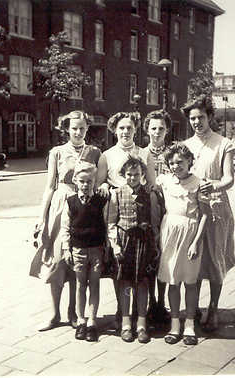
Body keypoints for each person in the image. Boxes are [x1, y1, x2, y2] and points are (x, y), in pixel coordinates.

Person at [29, 110, 102, 331]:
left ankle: (74, 312)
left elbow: (99, 183)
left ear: (87, 128)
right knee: (57, 260)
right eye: (74, 128)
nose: (78, 132)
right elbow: (50, 186)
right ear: (67, 130)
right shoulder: (57, 152)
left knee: (77, 260)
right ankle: (54, 314)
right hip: (61, 206)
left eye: (82, 128)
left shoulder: (96, 152)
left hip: (84, 208)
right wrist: (41, 217)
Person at [96, 112, 156, 330]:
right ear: (114, 130)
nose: (125, 132)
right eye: (121, 128)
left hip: (140, 212)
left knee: (142, 269)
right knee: (119, 266)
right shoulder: (107, 155)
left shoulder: (143, 153)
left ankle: (143, 314)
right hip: (117, 211)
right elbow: (100, 182)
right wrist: (103, 186)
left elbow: (151, 183)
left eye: (129, 128)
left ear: (136, 129)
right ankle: (123, 310)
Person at [181, 95, 235, 332]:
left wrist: (213, 185)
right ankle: (193, 309)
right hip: (192, 208)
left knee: (214, 258)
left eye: (201, 117)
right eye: (192, 118)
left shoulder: (223, 144)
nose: (196, 122)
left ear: (210, 116)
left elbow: (229, 179)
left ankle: (213, 309)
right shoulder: (185, 145)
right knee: (193, 259)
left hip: (215, 208)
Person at [157, 143, 208, 345]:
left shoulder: (198, 183)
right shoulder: (165, 181)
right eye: (172, 163)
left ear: (189, 161)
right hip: (169, 231)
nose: (176, 166)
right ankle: (175, 324)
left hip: (190, 233)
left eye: (180, 161)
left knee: (190, 281)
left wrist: (196, 242)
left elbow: (204, 215)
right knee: (172, 279)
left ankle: (189, 325)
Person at [107, 157, 158, 343]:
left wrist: (155, 245)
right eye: (129, 174)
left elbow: (154, 222)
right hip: (124, 242)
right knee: (125, 282)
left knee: (142, 282)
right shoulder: (117, 194)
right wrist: (115, 244)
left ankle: (142, 324)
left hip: (143, 242)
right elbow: (111, 222)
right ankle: (126, 323)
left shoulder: (149, 194)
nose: (133, 177)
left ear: (143, 174)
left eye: (137, 174)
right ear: (123, 175)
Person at [60, 162, 108, 342]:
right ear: (75, 181)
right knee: (80, 285)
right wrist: (67, 248)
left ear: (94, 181)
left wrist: (107, 247)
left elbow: (106, 223)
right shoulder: (71, 201)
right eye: (82, 181)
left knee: (94, 284)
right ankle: (81, 320)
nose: (86, 185)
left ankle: (92, 322)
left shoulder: (101, 200)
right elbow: (65, 227)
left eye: (89, 181)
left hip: (96, 249)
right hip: (78, 249)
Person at [142, 110, 172, 327]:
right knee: (150, 255)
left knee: (166, 255)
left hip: (170, 210)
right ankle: (151, 302)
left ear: (167, 130)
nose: (157, 132)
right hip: (147, 211)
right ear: (147, 130)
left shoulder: (173, 153)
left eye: (161, 128)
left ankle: (162, 302)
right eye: (153, 128)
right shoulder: (141, 154)